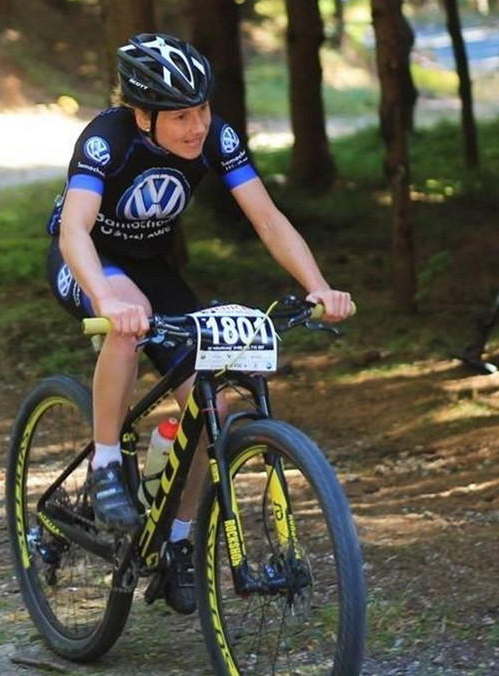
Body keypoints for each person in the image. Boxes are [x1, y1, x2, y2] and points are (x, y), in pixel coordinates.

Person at [44, 32, 354, 614]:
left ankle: (179, 541)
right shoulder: (106, 139)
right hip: (86, 261)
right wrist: (107, 300)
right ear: (142, 115)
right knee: (129, 329)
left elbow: (267, 218)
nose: (196, 126)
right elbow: (75, 230)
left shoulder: (218, 137)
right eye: (180, 116)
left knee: (209, 404)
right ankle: (107, 461)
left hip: (155, 268)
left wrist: (317, 286)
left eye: (203, 110)